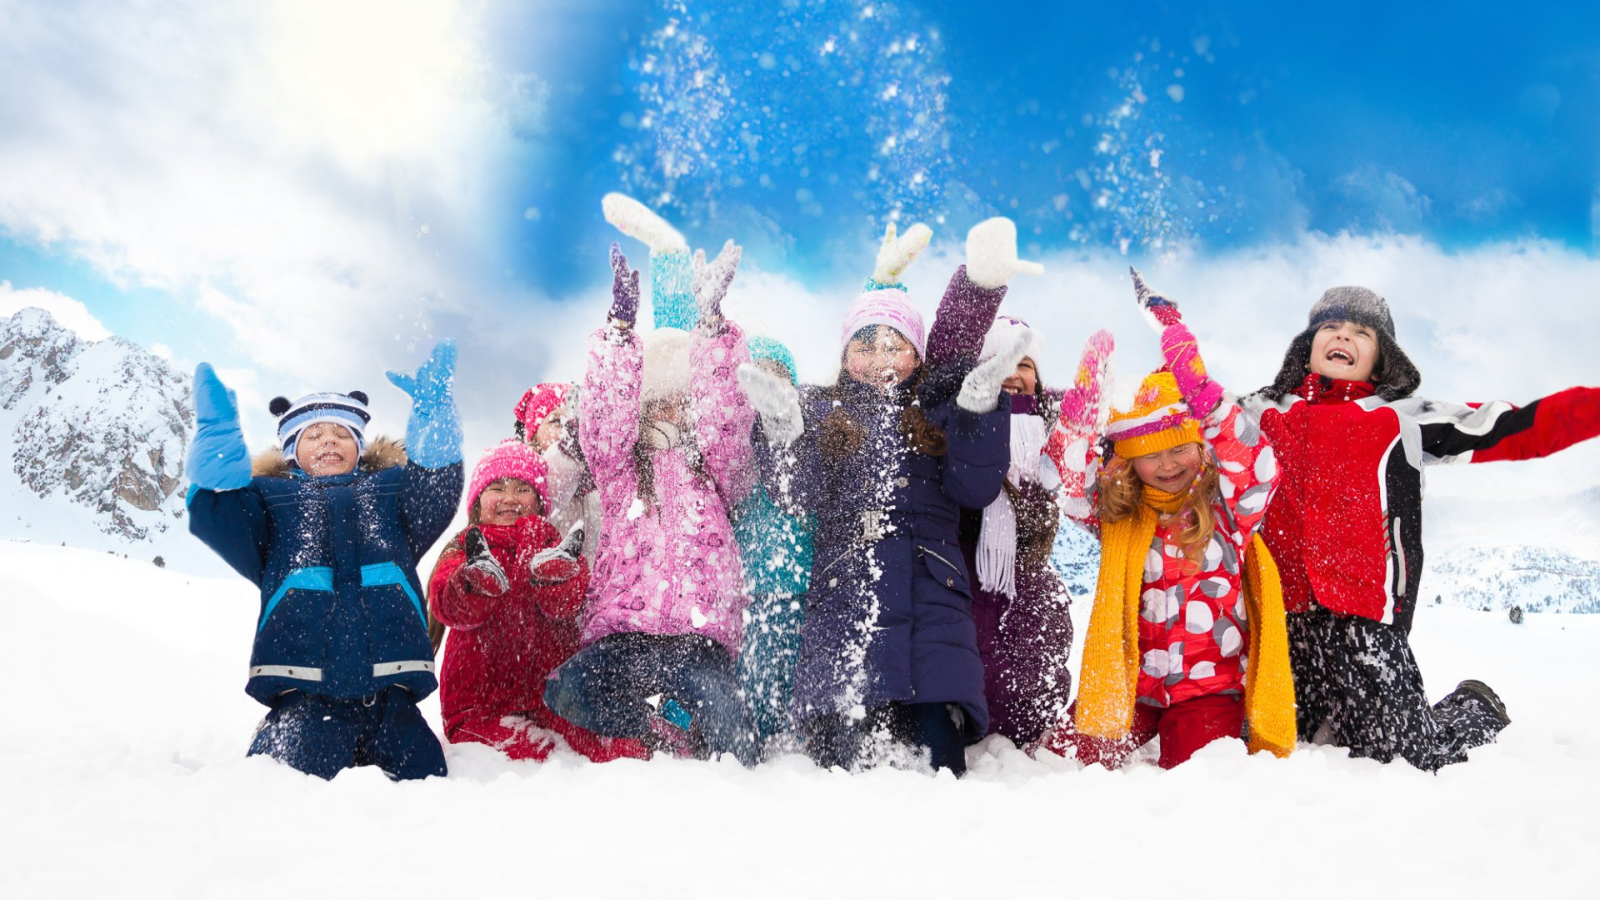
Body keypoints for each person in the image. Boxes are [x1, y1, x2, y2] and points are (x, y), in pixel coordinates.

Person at [1237, 285, 1600, 770]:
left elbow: (1518, 427)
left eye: (1361, 331)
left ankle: (1475, 706)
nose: (1342, 334)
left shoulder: (1404, 416)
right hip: (1281, 622)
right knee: (1269, 743)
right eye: (1330, 326)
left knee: (1407, 759)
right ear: (1308, 345)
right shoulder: (1259, 413)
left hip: (1366, 622)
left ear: (1382, 357)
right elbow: (1181, 422)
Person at [743, 217, 1042, 776]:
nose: (880, 356)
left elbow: (973, 487)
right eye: (864, 344)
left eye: (895, 343)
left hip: (932, 606)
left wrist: (977, 411)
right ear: (844, 355)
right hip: (845, 608)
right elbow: (796, 493)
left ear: (916, 353)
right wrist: (783, 430)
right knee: (842, 773)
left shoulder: (934, 410)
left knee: (939, 768)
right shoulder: (822, 412)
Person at [1035, 273, 1295, 769]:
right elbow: (1064, 482)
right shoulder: (1120, 512)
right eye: (1151, 455)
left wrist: (1202, 391)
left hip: (1209, 691)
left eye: (1180, 448)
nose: (1169, 464)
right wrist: (1080, 411)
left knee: (1197, 777)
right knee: (1057, 764)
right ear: (1130, 461)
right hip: (1130, 685)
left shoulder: (1229, 507)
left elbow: (1257, 463)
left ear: (1200, 446)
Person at [186, 343, 463, 780]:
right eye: (314, 435)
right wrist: (219, 447)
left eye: (340, 433)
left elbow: (436, 490)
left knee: (429, 786)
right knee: (275, 787)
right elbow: (222, 517)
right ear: (292, 449)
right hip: (304, 695)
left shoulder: (391, 490)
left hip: (391, 696)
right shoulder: (270, 498)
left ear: (359, 446)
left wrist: (435, 422)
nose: (328, 440)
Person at [542, 241, 761, 765]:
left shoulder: (714, 468)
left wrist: (710, 326)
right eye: (656, 398)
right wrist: (619, 332)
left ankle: (678, 724)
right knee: (566, 690)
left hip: (697, 637)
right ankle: (657, 719)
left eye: (679, 396)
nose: (668, 406)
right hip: (626, 634)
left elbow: (726, 415)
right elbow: (604, 420)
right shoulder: (619, 472)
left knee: (737, 741)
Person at [428, 439, 649, 763]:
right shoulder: (466, 545)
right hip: (481, 707)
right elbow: (448, 604)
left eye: (522, 489)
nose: (509, 498)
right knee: (543, 758)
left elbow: (571, 603)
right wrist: (472, 582)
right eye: (497, 488)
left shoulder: (552, 543)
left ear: (540, 501)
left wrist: (560, 580)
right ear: (477, 500)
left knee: (620, 753)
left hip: (549, 701)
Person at [958, 316, 1076, 747]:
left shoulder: (1056, 435)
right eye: (1000, 358)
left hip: (1027, 582)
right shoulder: (960, 428)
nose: (1013, 372)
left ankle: (1018, 732)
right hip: (969, 571)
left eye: (1025, 363)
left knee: (1026, 664)